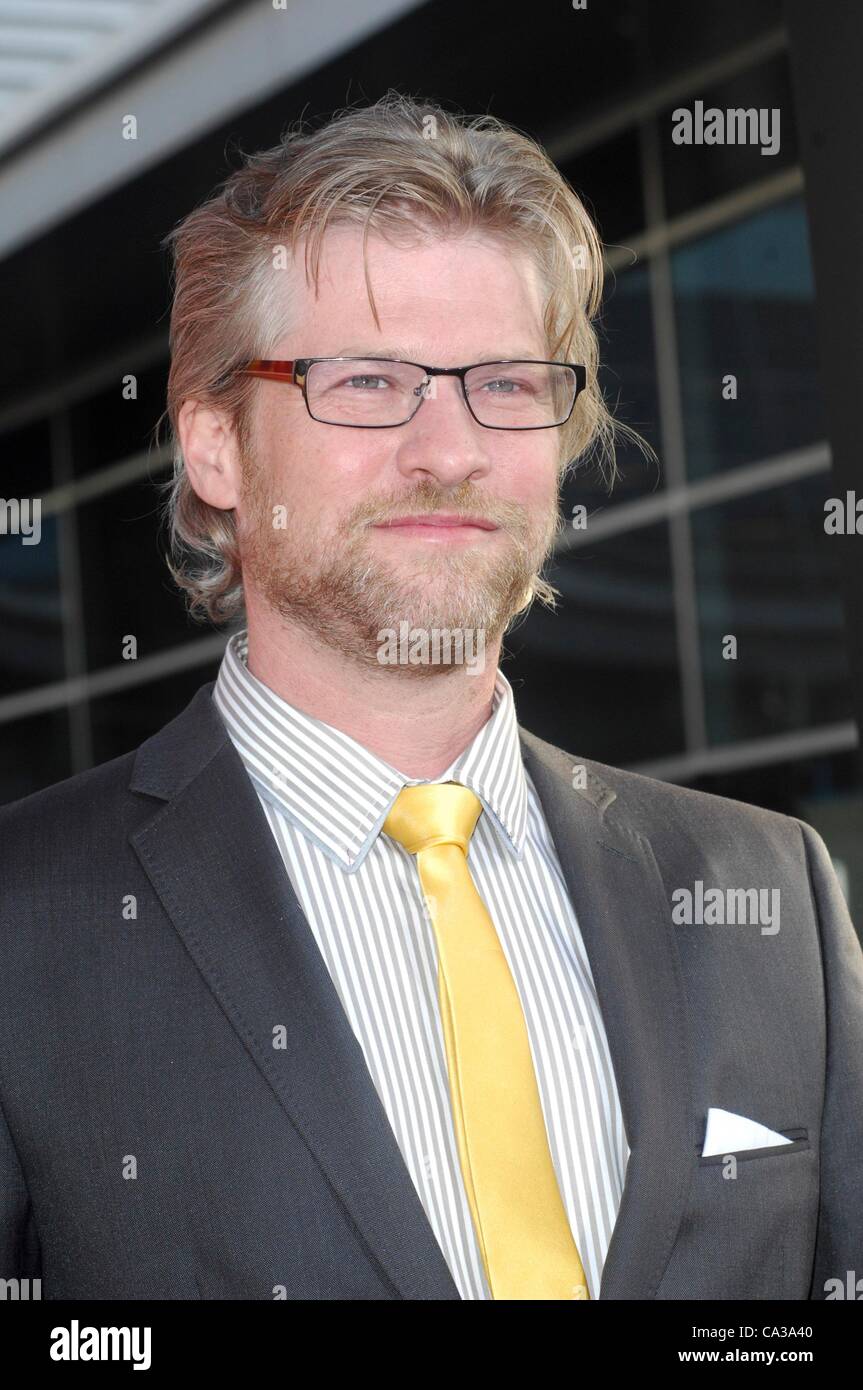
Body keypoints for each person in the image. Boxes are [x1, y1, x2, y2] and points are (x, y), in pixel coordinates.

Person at [1, 93, 860, 1301]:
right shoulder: (25, 924)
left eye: (505, 384)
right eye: (366, 381)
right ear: (215, 448)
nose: (448, 448)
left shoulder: (767, 892)